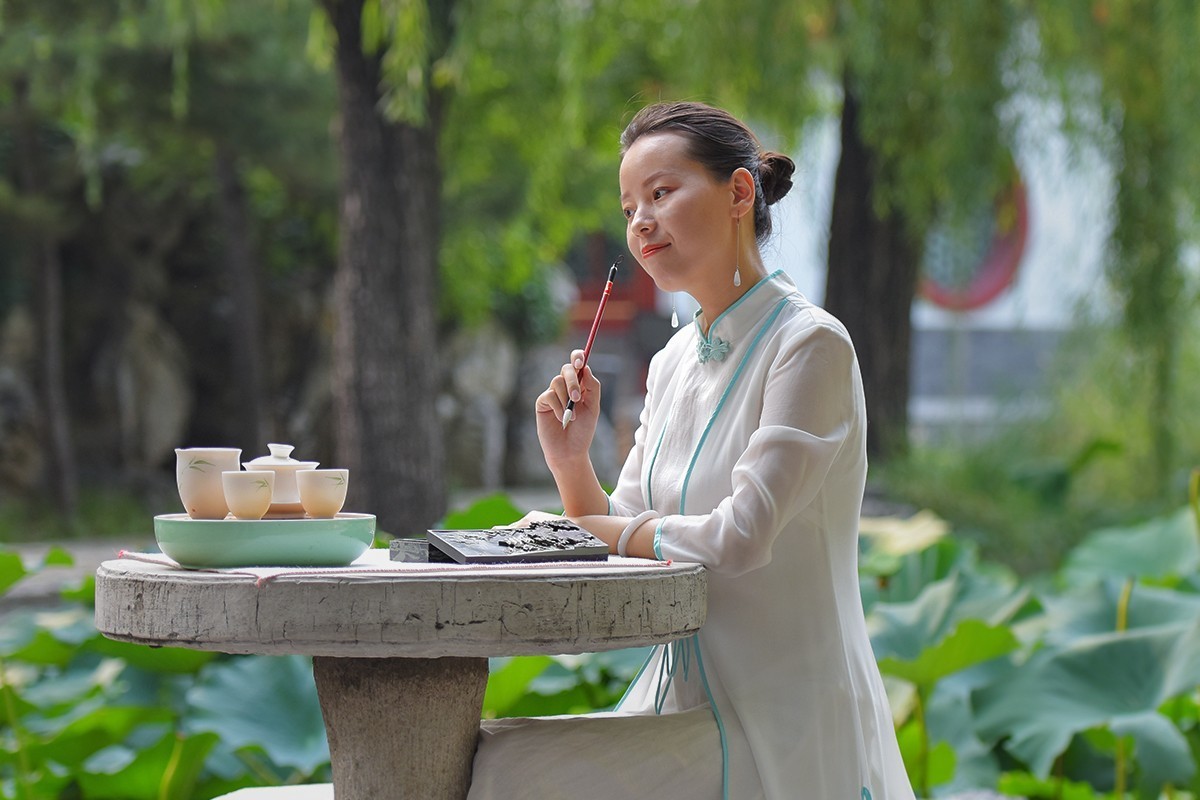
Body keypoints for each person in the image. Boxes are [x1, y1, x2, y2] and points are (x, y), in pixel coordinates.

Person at [467, 101, 915, 800]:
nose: (640, 222)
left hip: (781, 716)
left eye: (661, 193)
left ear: (738, 193)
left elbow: (740, 536)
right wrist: (571, 463)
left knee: (509, 772)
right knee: (490, 754)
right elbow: (622, 527)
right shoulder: (673, 360)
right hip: (682, 699)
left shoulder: (809, 344)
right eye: (629, 208)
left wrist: (598, 531)